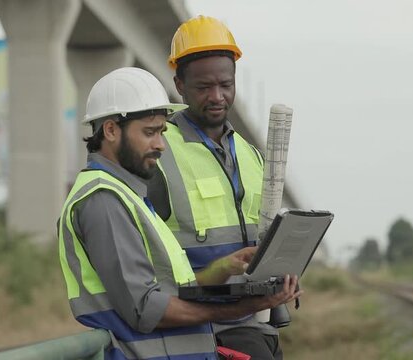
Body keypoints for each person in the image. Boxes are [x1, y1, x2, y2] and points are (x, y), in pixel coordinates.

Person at [58, 67, 300, 360]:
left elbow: (169, 290)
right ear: (110, 130)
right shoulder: (102, 200)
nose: (160, 144)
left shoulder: (130, 195)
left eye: (162, 131)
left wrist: (222, 268)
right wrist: (246, 308)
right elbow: (146, 308)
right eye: (149, 132)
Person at [147, 16, 286, 360]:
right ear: (179, 84)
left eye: (226, 84)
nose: (217, 96)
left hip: (255, 318)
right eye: (204, 87)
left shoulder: (251, 155)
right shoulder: (159, 150)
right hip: (198, 323)